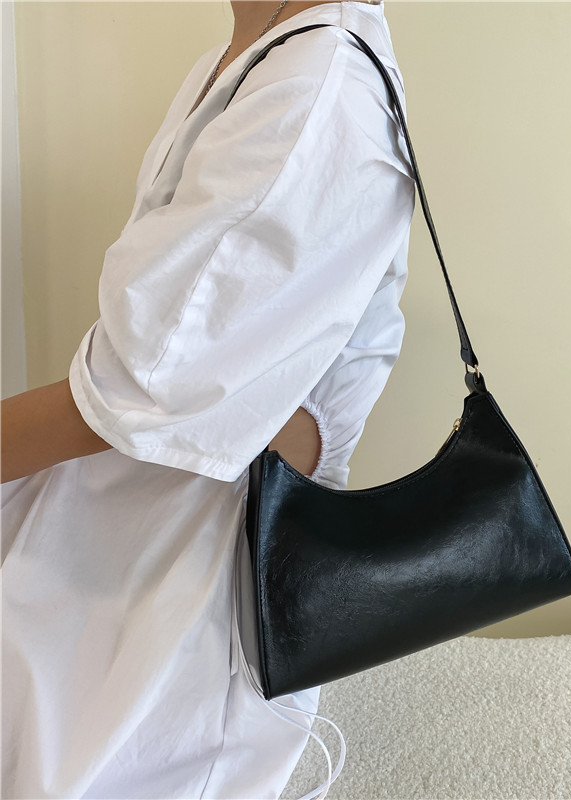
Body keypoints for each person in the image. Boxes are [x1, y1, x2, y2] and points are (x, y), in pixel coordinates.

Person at [1, 0, 415, 796]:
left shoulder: (314, 92)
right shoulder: (260, 57)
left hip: (181, 596)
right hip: (118, 553)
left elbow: (132, 393)